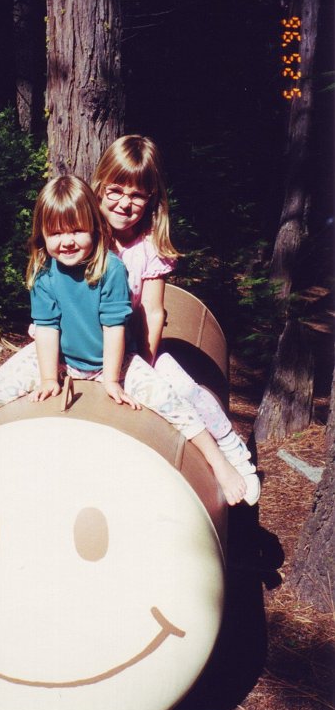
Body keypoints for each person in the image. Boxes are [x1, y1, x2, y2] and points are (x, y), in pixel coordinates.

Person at [0, 175, 257, 506]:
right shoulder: (44, 274)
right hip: (63, 359)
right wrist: (47, 378)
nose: (67, 242)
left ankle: (219, 461)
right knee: (1, 383)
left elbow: (114, 327)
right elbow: (47, 327)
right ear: (42, 234)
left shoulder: (109, 269)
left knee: (172, 403)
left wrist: (113, 380)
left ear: (95, 228)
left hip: (112, 363)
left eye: (77, 231)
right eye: (56, 233)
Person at [91, 134, 259, 501]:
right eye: (116, 190)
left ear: (151, 198)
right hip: (85, 343)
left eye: (136, 195)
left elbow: (153, 309)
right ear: (100, 186)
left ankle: (229, 448)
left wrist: (146, 362)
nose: (124, 203)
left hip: (131, 346)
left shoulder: (149, 246)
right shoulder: (86, 235)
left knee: (183, 388)